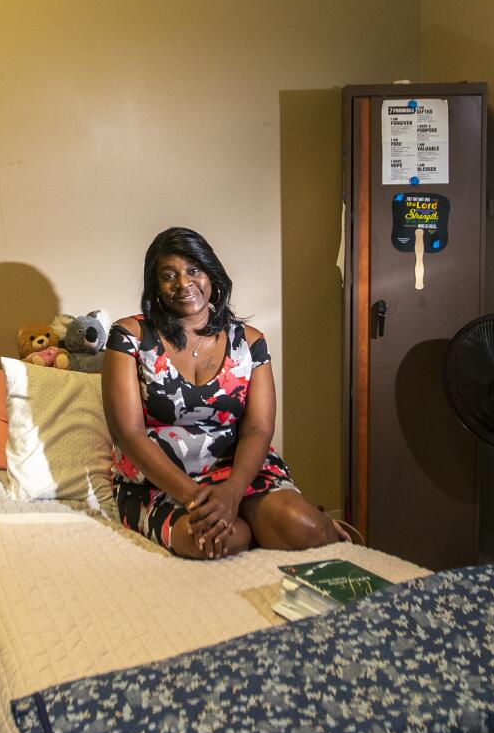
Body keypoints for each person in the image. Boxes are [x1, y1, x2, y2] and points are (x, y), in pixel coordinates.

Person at [103, 227, 344, 559]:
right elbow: (127, 434)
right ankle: (247, 524)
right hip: (160, 483)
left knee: (307, 528)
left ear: (211, 275)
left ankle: (322, 528)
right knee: (214, 540)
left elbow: (258, 428)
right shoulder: (129, 337)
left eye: (193, 270)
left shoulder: (251, 341)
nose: (183, 283)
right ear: (155, 286)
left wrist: (232, 493)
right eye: (168, 275)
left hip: (239, 473)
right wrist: (195, 498)